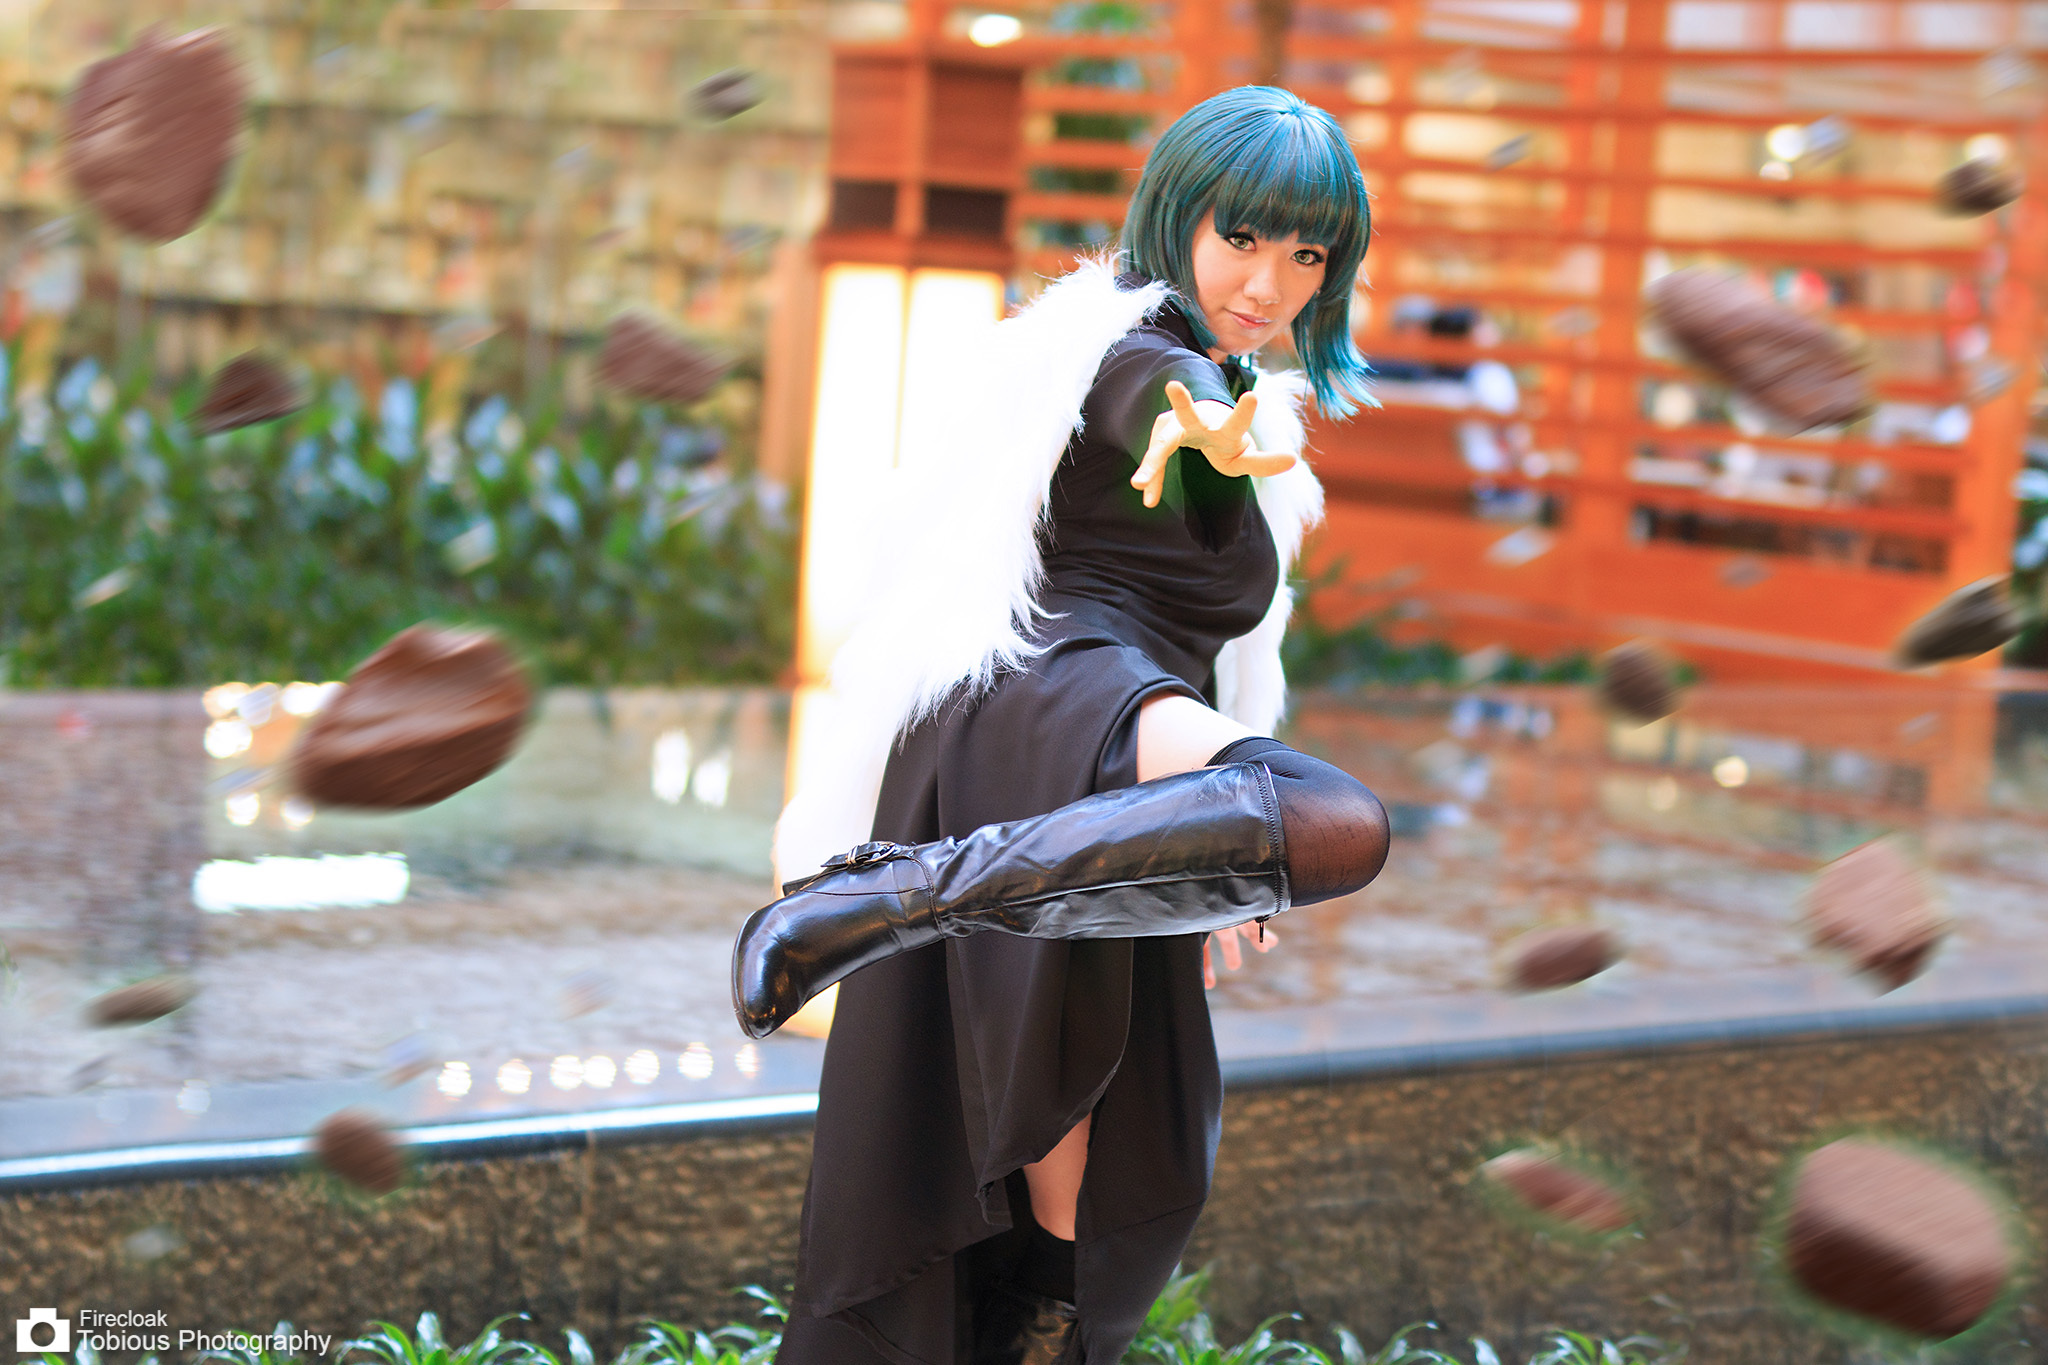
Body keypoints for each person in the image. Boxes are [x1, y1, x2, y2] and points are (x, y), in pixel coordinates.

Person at [736, 86, 1391, 1365]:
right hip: (1047, 707)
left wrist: (1210, 849)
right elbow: (1153, 405)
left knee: (1075, 1173)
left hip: (1087, 763)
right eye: (1241, 237)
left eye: (1307, 253)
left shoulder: (1228, 386)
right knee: (1335, 820)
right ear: (1176, 215)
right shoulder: (1134, 353)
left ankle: (907, 898)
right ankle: (890, 894)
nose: (1269, 282)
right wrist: (1202, 423)